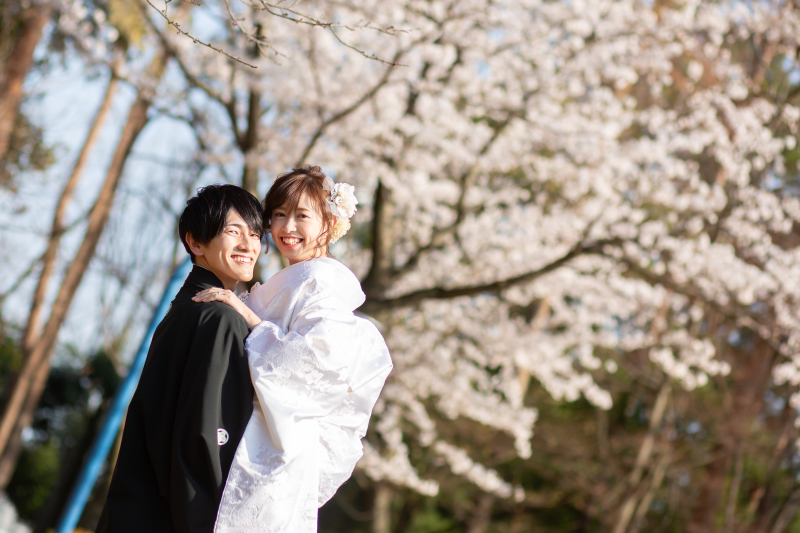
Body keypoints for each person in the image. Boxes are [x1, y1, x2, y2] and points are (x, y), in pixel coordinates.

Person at [192, 166, 393, 532]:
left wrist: (249, 319)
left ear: (329, 224)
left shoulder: (319, 282)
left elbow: (316, 365)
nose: (287, 228)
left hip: (276, 447)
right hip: (255, 436)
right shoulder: (297, 278)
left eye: (302, 216)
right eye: (279, 215)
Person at [97, 185, 264, 533]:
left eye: (255, 234)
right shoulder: (220, 319)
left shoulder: (184, 311)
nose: (249, 246)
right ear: (196, 242)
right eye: (233, 231)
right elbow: (207, 437)